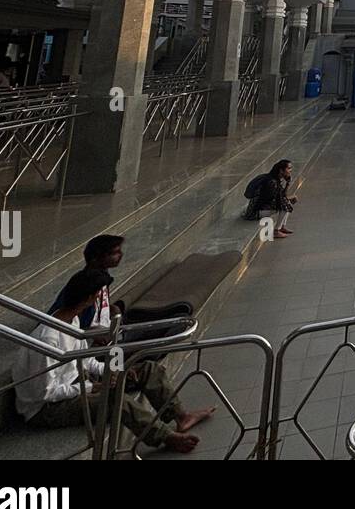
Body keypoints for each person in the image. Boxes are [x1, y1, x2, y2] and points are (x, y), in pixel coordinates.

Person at [15, 269, 210, 453]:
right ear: (90, 298)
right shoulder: (49, 338)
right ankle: (165, 437)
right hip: (46, 409)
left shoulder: (71, 320)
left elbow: (84, 360)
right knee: (115, 398)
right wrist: (94, 387)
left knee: (147, 369)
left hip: (74, 382)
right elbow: (46, 392)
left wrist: (111, 371)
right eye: (99, 294)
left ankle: (181, 415)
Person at [48, 234, 124, 331]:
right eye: (115, 253)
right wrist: (92, 333)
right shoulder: (86, 286)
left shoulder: (103, 279)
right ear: (96, 258)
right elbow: (72, 317)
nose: (120, 255)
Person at [243, 159, 298, 235]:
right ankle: (276, 231)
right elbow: (279, 199)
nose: (290, 170)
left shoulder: (275, 179)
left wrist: (288, 183)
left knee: (286, 203)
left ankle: (282, 227)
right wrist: (290, 198)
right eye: (288, 168)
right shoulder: (271, 182)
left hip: (263, 207)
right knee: (285, 205)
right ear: (281, 170)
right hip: (254, 212)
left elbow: (282, 195)